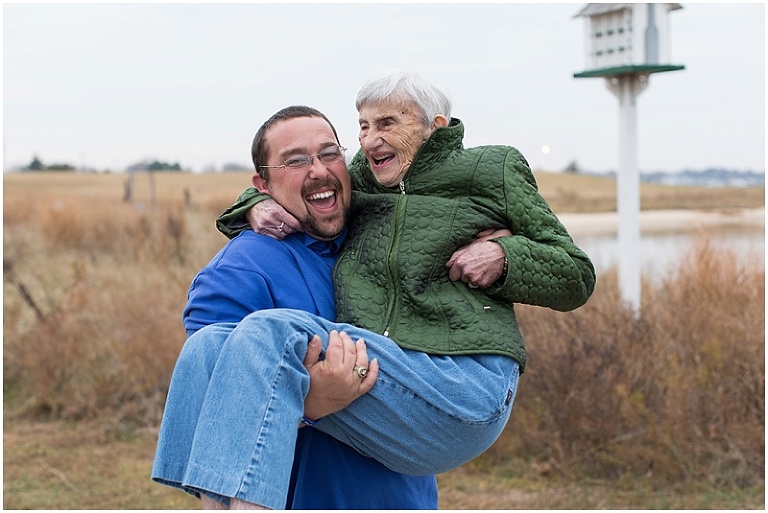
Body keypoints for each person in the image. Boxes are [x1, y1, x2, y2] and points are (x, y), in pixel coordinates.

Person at [174, 70, 596, 509]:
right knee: (207, 348)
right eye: (363, 126)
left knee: (267, 331)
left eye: (388, 123)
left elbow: (576, 274)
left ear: (435, 126)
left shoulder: (493, 168)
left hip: (466, 379)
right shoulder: (367, 178)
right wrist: (252, 205)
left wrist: (506, 257)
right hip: (400, 380)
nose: (371, 139)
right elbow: (310, 181)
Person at [152, 106, 439, 509]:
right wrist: (312, 402)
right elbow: (211, 407)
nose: (318, 171)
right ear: (262, 184)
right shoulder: (241, 269)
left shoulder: (382, 236)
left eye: (328, 154)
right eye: (296, 161)